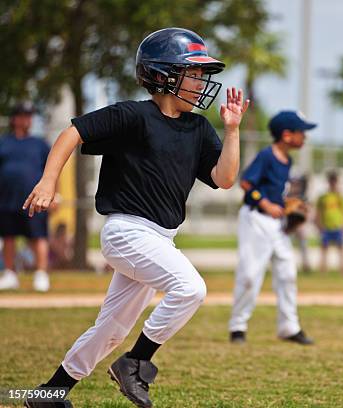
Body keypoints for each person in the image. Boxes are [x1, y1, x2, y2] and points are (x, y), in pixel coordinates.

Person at [22, 27, 249, 408]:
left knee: (111, 329)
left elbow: (224, 179)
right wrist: (48, 181)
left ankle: (50, 393)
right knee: (191, 288)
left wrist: (232, 132)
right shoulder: (134, 115)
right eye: (193, 74)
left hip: (160, 238)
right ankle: (137, 362)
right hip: (127, 231)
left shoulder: (197, 128)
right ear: (163, 76)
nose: (201, 82)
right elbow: (72, 133)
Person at [228, 111, 316, 346]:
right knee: (250, 274)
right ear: (287, 135)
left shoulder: (288, 161)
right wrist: (265, 202)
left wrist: (286, 206)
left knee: (287, 273)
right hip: (256, 219)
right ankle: (238, 327)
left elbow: (279, 191)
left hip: (276, 225)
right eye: (301, 132)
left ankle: (289, 327)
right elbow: (246, 183)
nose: (304, 138)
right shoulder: (267, 156)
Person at [0, 102, 52, 292]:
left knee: (38, 236)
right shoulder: (4, 142)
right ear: (14, 118)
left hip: (34, 200)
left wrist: (55, 195)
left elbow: (51, 171)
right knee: (8, 237)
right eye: (23, 115)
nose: (26, 119)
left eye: (29, 116)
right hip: (6, 199)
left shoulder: (40, 144)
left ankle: (41, 274)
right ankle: (10, 274)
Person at [315, 171, 343, 275]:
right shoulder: (323, 197)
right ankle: (323, 271)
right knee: (324, 249)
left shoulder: (341, 196)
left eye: (334, 181)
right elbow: (318, 213)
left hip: (338, 227)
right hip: (326, 227)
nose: (333, 183)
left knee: (341, 249)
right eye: (331, 181)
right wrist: (319, 225)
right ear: (328, 182)